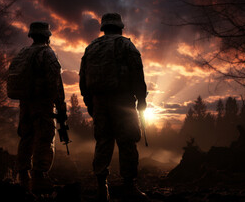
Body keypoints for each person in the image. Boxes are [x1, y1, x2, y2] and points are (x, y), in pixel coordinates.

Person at [79, 13, 148, 201]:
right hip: (123, 101)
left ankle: (102, 188)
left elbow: (83, 79)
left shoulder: (90, 47)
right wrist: (141, 99)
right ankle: (129, 187)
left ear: (103, 27)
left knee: (103, 142)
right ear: (120, 27)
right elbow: (137, 74)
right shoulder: (126, 45)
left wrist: (90, 103)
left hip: (99, 102)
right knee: (127, 143)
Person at [15, 22, 67, 193]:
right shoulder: (47, 53)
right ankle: (39, 177)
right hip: (43, 104)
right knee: (44, 138)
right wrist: (60, 105)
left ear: (32, 35)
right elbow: (55, 82)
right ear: (47, 36)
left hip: (25, 104)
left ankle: (23, 177)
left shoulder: (23, 53)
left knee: (26, 138)